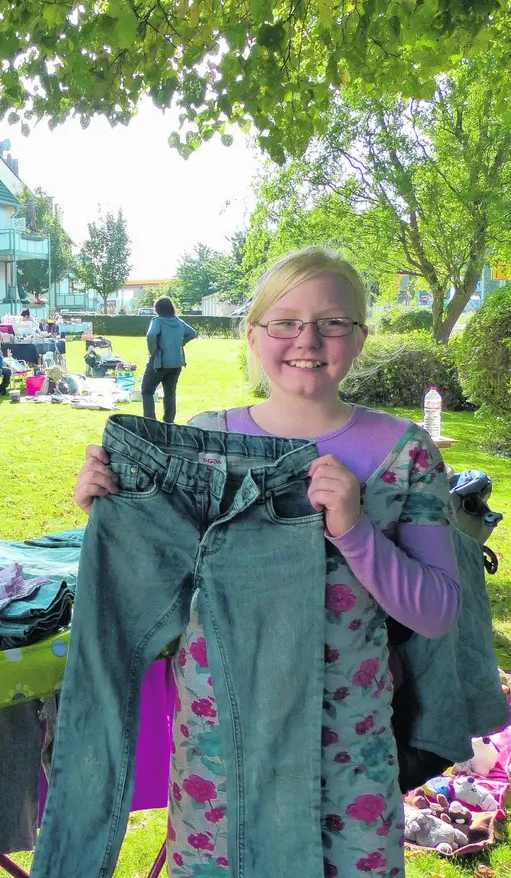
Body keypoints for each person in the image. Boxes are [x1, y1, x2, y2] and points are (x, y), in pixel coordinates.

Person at [70, 247, 461, 878]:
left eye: (332, 322)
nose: (307, 339)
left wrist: (357, 532)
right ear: (253, 336)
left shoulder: (403, 453)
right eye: (284, 322)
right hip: (223, 742)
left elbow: (439, 612)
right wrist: (116, 514)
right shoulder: (203, 442)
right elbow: (162, 588)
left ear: (359, 337)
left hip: (345, 749)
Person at [141, 296, 198, 423]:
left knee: (147, 391)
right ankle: (169, 423)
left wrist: (154, 352)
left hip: (160, 363)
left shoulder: (157, 321)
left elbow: (151, 335)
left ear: (157, 309)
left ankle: (150, 423)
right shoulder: (179, 322)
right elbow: (192, 333)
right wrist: (179, 343)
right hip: (176, 363)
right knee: (170, 393)